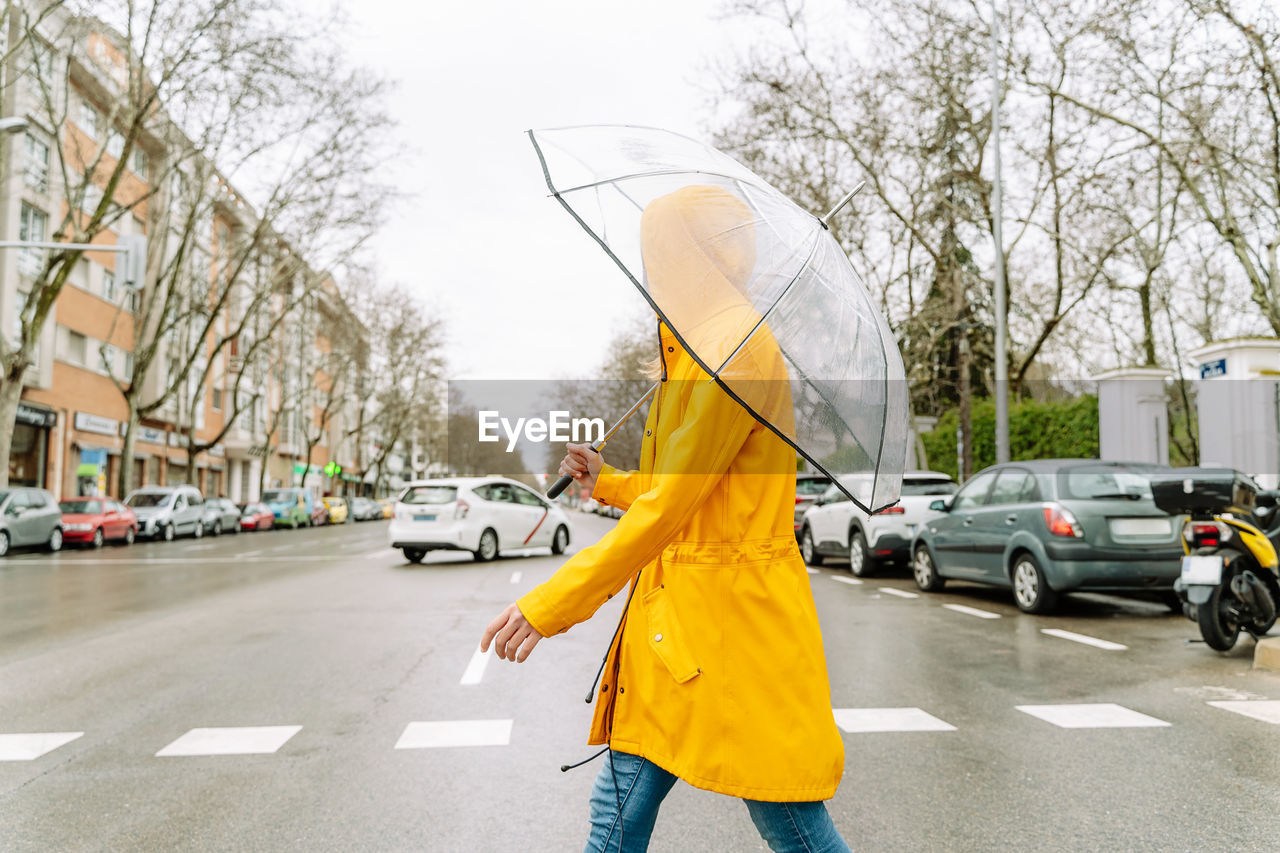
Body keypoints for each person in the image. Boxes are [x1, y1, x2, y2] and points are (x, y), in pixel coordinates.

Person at [481, 185, 851, 853]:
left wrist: (551, 603)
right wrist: (609, 481)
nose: (654, 265)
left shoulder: (731, 347)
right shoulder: (695, 344)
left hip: (730, 630)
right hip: (682, 631)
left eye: (665, 248)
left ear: (699, 253)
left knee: (788, 819)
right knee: (616, 808)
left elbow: (673, 504)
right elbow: (689, 484)